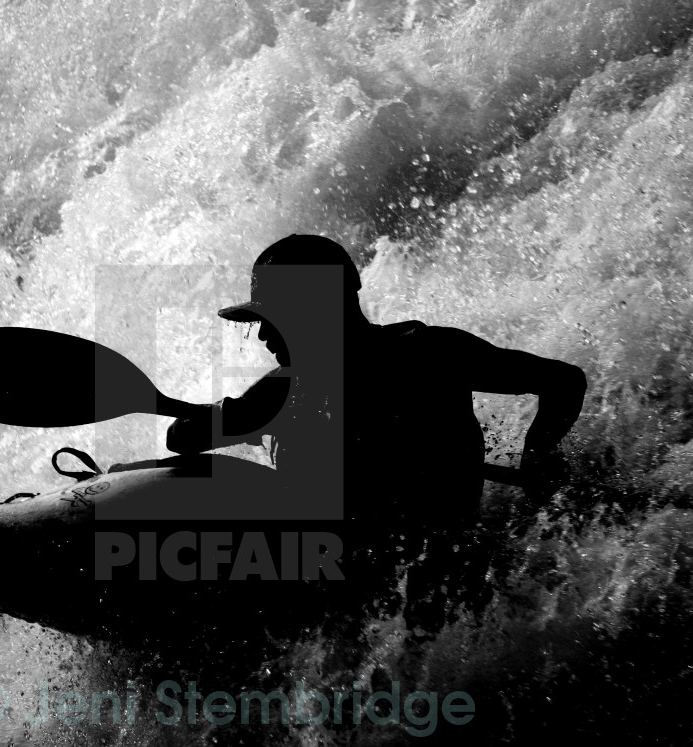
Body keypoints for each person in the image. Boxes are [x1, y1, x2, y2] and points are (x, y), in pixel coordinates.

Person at [166, 233, 587, 631]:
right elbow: (182, 437)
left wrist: (538, 455)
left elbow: (564, 381)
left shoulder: (421, 355)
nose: (261, 333)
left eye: (273, 317)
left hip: (418, 586)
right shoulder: (301, 385)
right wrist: (538, 453)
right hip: (401, 582)